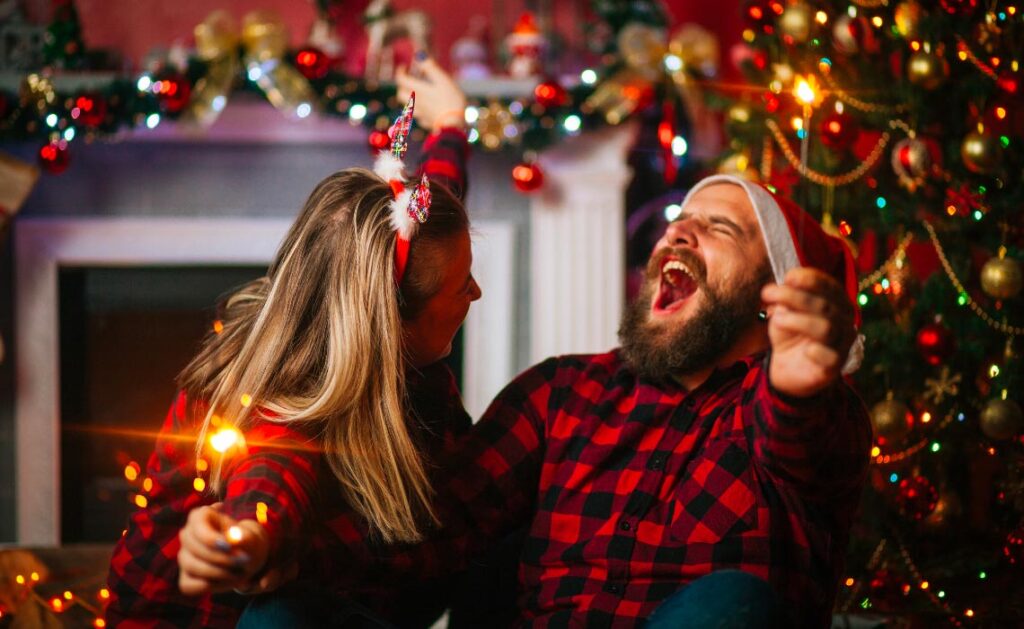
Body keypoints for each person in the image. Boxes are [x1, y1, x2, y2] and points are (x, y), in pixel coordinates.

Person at [104, 58, 481, 628]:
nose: (475, 292)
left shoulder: (400, 252)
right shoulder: (287, 400)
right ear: (387, 323)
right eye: (461, 286)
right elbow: (272, 475)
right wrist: (247, 536)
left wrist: (451, 124)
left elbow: (431, 211)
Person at [423, 174, 873, 627]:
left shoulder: (801, 410)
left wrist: (797, 391)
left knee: (733, 599)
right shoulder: (560, 391)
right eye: (681, 219)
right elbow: (432, 526)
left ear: (773, 297)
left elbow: (801, 435)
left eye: (721, 228)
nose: (677, 231)